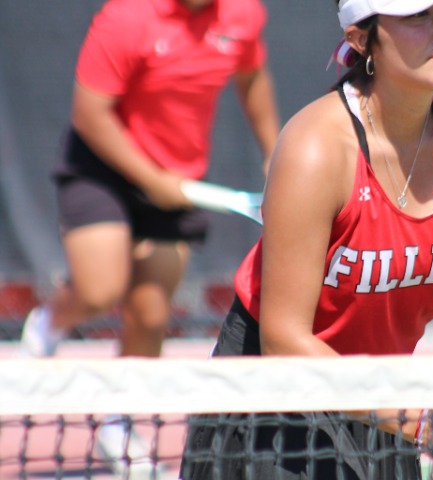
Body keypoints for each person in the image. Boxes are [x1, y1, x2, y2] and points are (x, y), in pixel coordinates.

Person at [180, 0, 433, 478]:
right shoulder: (315, 149)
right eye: (420, 15)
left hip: (382, 400)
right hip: (274, 402)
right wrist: (419, 419)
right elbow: (284, 340)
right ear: (360, 37)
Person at [18, 0, 280, 475]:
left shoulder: (243, 14)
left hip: (177, 176)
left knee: (151, 312)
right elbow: (90, 114)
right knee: (100, 290)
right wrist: (151, 179)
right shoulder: (126, 17)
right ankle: (49, 321)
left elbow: (252, 77)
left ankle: (118, 422)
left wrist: (272, 151)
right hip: (99, 168)